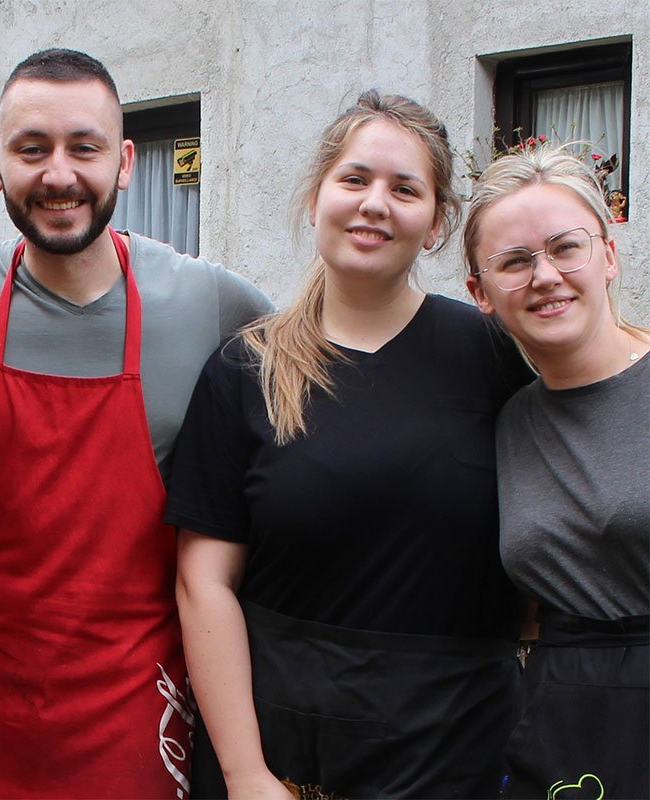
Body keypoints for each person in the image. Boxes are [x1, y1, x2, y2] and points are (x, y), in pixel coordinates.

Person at [0, 48, 273, 798]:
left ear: (125, 162)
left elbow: (323, 423)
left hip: (137, 715)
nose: (59, 175)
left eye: (85, 148)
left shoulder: (212, 304)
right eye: (33, 150)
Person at [165, 91, 531, 799]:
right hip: (289, 761)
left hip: (459, 755)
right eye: (355, 180)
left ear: (436, 225)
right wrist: (245, 774)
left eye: (405, 189)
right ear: (316, 199)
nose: (375, 204)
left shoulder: (492, 358)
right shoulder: (246, 370)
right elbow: (203, 584)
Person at [464, 145, 649, 800]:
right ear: (480, 293)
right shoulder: (512, 420)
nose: (544, 276)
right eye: (515, 261)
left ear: (608, 254)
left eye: (565, 247)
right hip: (565, 733)